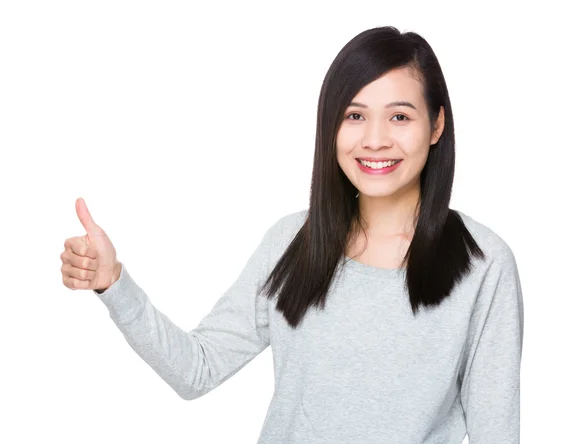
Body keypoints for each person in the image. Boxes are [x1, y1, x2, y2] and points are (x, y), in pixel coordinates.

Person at [60, 26, 524, 444]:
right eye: (355, 116)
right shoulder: (292, 243)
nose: (376, 139)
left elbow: (495, 432)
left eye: (400, 117)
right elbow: (196, 370)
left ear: (437, 124)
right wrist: (114, 283)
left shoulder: (483, 264)